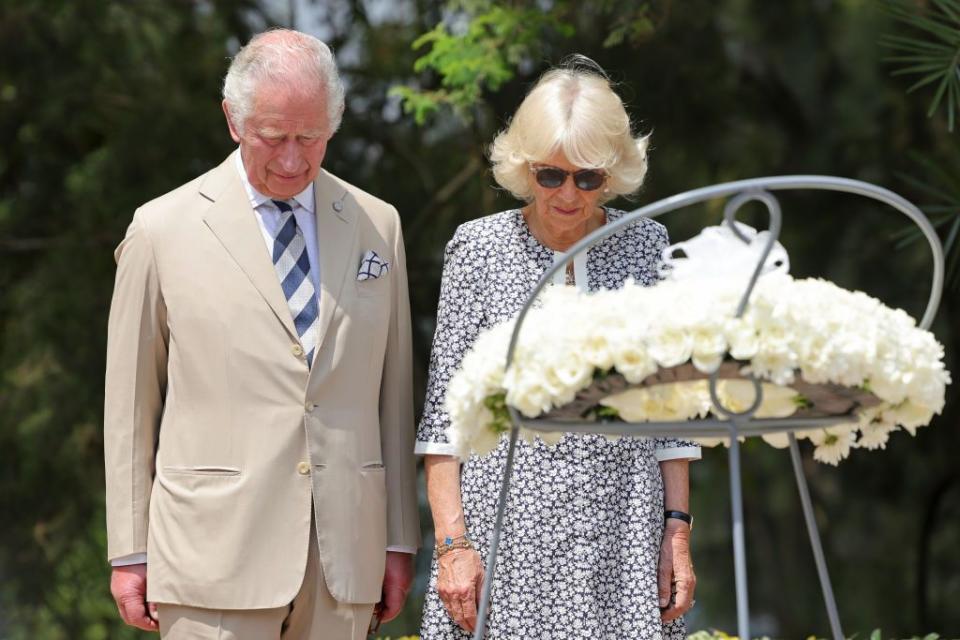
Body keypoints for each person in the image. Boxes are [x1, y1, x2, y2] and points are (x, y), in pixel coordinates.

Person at [103, 29, 419, 640]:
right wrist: (129, 551)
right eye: (273, 138)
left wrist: (398, 538)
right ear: (232, 120)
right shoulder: (159, 230)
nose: (293, 160)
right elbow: (130, 406)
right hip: (210, 560)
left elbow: (394, 393)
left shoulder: (379, 224)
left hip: (344, 564)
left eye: (312, 138)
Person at [416, 61, 700, 639]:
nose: (568, 194)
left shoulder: (647, 244)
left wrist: (677, 532)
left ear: (613, 174)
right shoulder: (477, 250)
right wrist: (452, 546)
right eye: (550, 176)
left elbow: (671, 413)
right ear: (525, 169)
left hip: (623, 539)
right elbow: (444, 422)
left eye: (588, 178)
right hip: (504, 541)